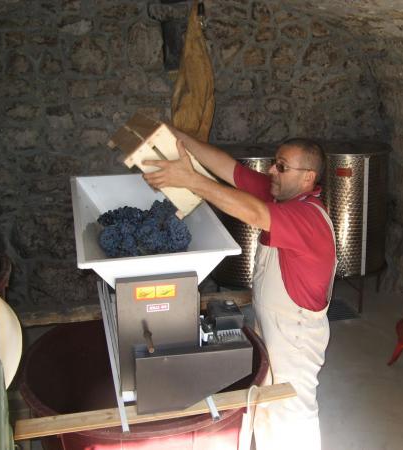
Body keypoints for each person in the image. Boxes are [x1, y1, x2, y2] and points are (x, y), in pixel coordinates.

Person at [142, 125, 337, 450]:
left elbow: (255, 213)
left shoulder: (307, 217)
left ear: (308, 178)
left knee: (292, 417)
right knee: (264, 409)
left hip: (296, 338)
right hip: (273, 327)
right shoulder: (281, 194)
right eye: (275, 162)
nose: (271, 170)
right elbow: (229, 169)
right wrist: (175, 136)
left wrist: (191, 180)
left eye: (281, 166)